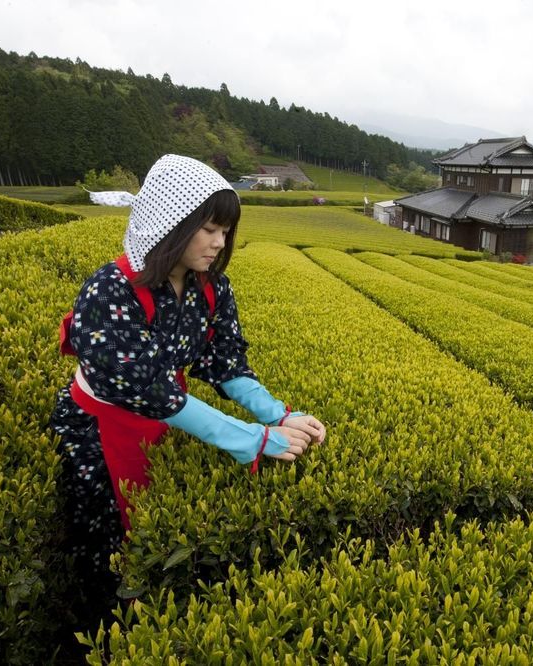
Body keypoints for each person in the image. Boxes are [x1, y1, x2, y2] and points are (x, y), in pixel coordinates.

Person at [49, 154, 325, 621]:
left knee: (153, 534)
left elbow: (226, 362)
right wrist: (251, 441)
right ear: (171, 223)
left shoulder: (211, 287)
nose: (220, 243)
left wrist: (276, 414)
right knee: (108, 546)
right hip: (99, 431)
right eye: (210, 229)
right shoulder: (110, 290)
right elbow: (151, 391)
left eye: (225, 232)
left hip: (167, 420)